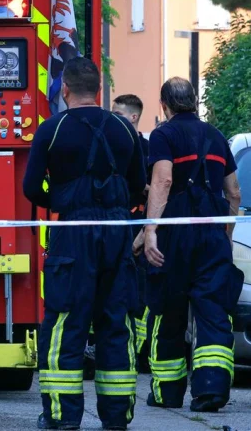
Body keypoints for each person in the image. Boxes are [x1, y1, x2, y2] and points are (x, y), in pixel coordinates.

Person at [23, 58, 148, 431]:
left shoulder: (52, 129)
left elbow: (30, 188)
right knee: (115, 323)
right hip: (116, 233)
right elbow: (137, 184)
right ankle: (116, 417)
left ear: (65, 90)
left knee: (65, 321)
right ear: (98, 90)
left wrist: (61, 201)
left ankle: (63, 417)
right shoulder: (124, 130)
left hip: (72, 233)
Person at [142, 78, 243, 413]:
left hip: (175, 232)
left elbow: (163, 180)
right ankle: (211, 391)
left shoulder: (163, 135)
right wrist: (225, 235)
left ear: (164, 105)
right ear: (194, 102)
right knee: (214, 311)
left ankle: (167, 393)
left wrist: (151, 230)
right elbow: (234, 193)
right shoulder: (215, 136)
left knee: (167, 309)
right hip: (212, 232)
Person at [111, 95, 151, 368]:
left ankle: (141, 353)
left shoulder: (148, 149)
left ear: (133, 117)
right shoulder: (109, 146)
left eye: (118, 113)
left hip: (141, 226)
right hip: (116, 225)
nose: (112, 118)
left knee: (141, 292)